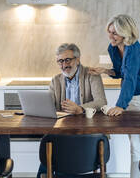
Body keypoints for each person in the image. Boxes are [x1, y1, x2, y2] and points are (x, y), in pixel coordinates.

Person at [89, 14, 140, 178]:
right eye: (109, 32)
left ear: (125, 33)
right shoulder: (113, 47)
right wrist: (104, 70)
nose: (111, 36)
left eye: (115, 33)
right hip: (130, 99)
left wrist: (120, 106)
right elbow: (121, 72)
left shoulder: (133, 50)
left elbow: (130, 79)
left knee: (138, 146)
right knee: (135, 146)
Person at [37, 43, 107, 178]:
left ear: (78, 59)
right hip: (62, 128)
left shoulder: (91, 75)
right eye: (60, 61)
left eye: (67, 60)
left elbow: (101, 101)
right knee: (49, 143)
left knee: (58, 150)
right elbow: (49, 105)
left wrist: (80, 108)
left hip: (88, 127)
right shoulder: (55, 80)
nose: (64, 65)